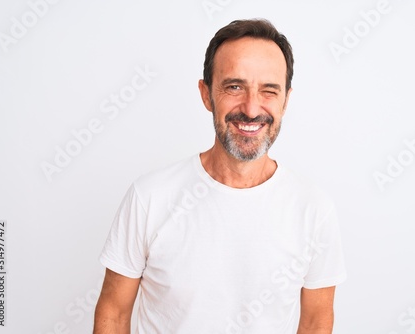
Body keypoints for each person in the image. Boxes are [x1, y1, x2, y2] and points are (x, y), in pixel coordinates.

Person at [94, 18, 346, 334]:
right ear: (206, 94)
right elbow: (114, 313)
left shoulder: (313, 208)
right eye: (234, 87)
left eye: (269, 90)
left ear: (285, 100)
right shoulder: (150, 197)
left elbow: (316, 320)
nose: (252, 109)